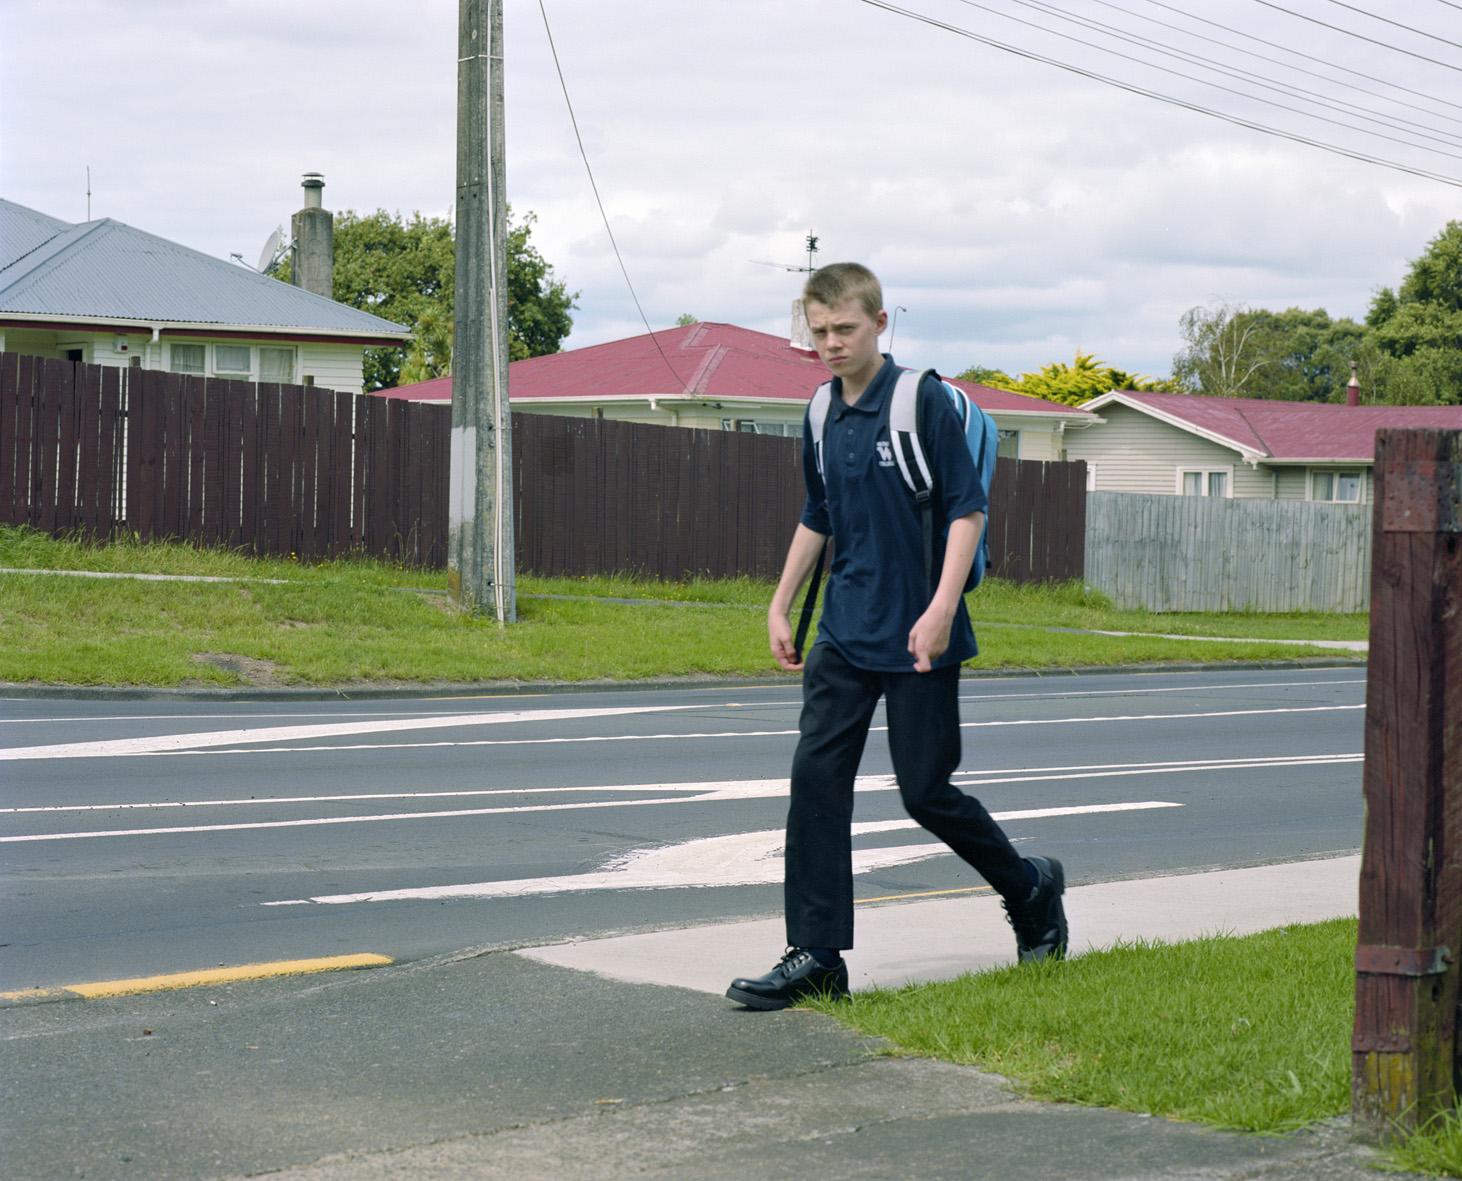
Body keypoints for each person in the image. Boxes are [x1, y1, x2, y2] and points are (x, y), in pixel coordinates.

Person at [725, 263, 1068, 1011]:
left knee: (926, 792)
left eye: (844, 328)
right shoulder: (819, 412)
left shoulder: (921, 403)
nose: (831, 344)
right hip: (844, 630)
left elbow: (966, 510)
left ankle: (1030, 886)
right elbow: (817, 514)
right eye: (818, 332)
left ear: (880, 323)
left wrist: (943, 606)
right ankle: (817, 954)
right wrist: (780, 604)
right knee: (816, 784)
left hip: (920, 629)